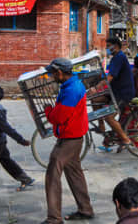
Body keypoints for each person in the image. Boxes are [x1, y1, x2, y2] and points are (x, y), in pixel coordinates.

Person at [43, 58, 94, 224]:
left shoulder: (71, 89)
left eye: (52, 73)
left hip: (70, 138)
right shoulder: (71, 85)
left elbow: (60, 116)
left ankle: (54, 218)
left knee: (52, 173)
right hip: (74, 135)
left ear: (59, 72)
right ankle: (85, 210)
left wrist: (49, 111)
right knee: (74, 173)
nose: (51, 76)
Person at [0, 86, 35, 191]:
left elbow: (8, 129)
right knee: (7, 161)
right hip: (0, 142)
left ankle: (25, 179)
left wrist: (21, 140)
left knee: (6, 161)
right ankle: (25, 179)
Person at [106, 37, 133, 149]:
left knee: (109, 117)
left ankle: (125, 139)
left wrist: (97, 87)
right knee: (96, 100)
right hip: (116, 91)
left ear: (115, 46)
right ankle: (103, 128)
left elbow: (110, 77)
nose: (107, 48)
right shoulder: (115, 58)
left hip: (123, 93)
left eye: (108, 46)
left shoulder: (119, 57)